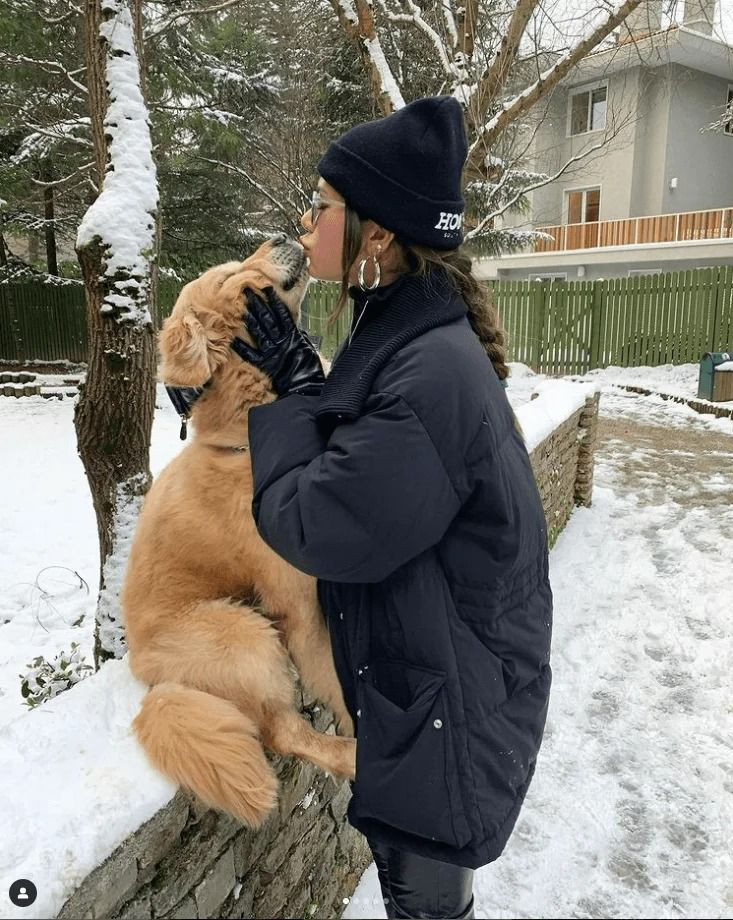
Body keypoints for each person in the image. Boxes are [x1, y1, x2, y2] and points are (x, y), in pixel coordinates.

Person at [237, 96, 553, 920]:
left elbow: (319, 523)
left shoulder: (426, 374)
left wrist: (287, 399)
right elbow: (367, 472)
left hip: (446, 709)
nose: (307, 228)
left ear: (375, 233)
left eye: (321, 208)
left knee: (428, 908)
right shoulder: (410, 338)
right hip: (434, 691)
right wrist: (306, 383)